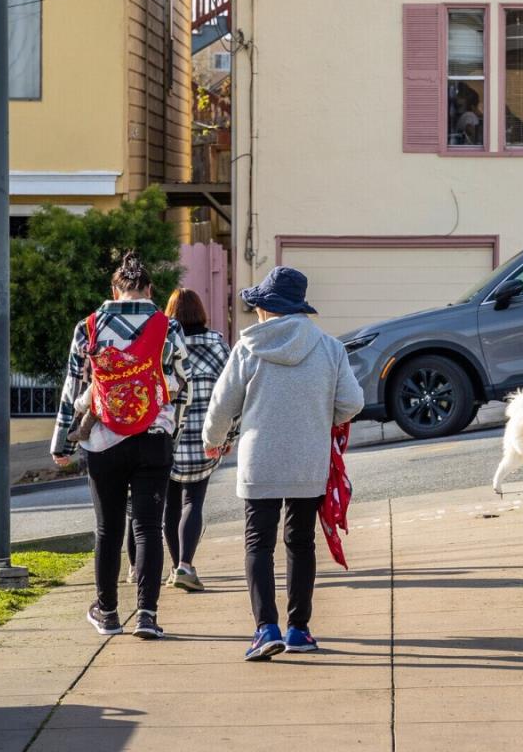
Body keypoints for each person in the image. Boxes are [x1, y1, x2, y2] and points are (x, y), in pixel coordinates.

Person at [202, 266, 363, 661]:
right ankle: (299, 629)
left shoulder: (247, 348)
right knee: (300, 542)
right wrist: (322, 416)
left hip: (259, 461)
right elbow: (352, 403)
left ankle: (265, 629)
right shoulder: (329, 348)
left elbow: (222, 405)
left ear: (266, 308)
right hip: (308, 461)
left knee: (259, 543)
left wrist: (213, 440)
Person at [50, 251, 189, 640]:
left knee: (108, 529)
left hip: (103, 439)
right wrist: (170, 431)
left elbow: (74, 386)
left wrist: (62, 441)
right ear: (149, 289)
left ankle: (108, 613)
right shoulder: (168, 326)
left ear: (115, 289)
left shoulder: (88, 327)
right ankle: (147, 615)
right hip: (154, 438)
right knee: (148, 527)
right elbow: (183, 385)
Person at [161, 287, 232, 592]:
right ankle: (185, 565)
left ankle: (176, 567)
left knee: (171, 506)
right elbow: (230, 394)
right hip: (206, 438)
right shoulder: (217, 345)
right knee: (194, 501)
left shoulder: (163, 346)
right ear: (201, 312)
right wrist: (228, 434)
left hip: (168, 438)